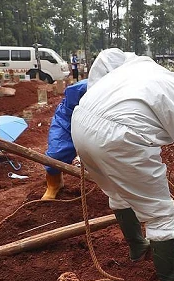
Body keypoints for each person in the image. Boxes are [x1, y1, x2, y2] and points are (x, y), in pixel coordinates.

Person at [71, 58, 174, 281]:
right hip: (120, 138)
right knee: (160, 212)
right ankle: (171, 279)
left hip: (81, 123)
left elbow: (107, 57)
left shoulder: (150, 69)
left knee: (118, 193)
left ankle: (137, 247)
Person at [42, 48, 133, 200]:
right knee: (57, 153)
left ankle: (124, 186)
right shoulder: (80, 89)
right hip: (69, 118)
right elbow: (68, 112)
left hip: (106, 123)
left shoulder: (128, 91)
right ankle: (54, 184)